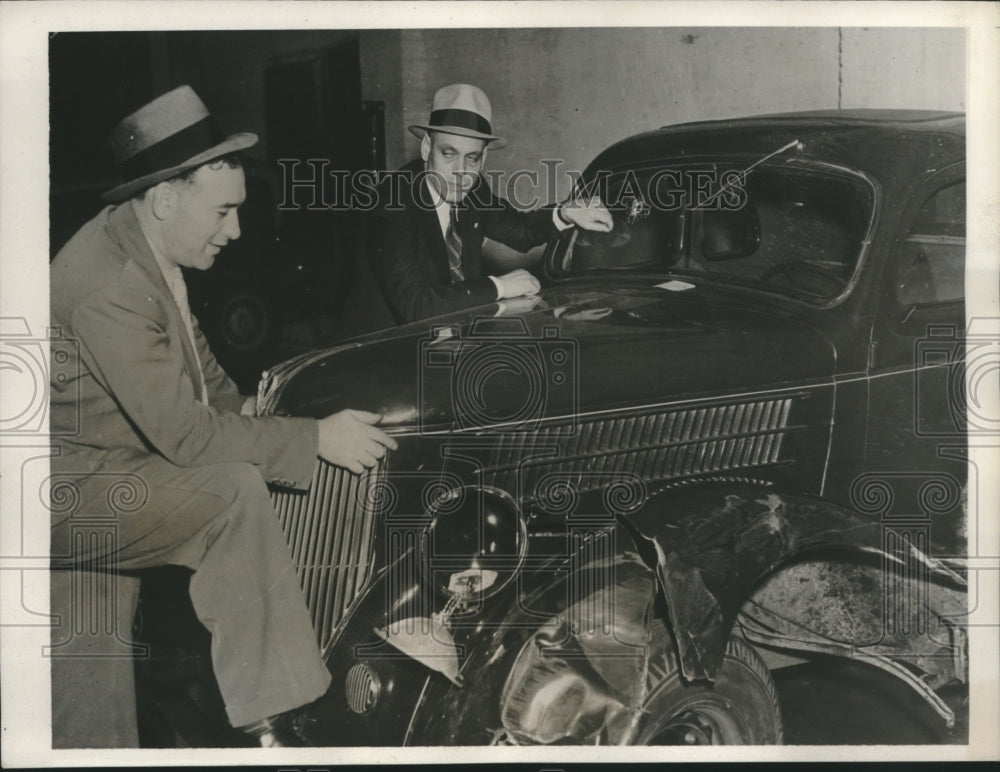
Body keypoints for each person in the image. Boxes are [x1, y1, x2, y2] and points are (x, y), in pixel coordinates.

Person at [48, 85, 396, 747]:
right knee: (231, 494)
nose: (234, 231)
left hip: (87, 482)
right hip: (63, 496)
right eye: (224, 211)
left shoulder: (145, 249)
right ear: (164, 198)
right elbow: (186, 435)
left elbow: (201, 376)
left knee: (86, 716)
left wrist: (266, 415)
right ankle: (284, 721)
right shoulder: (110, 284)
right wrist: (312, 438)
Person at [367, 83, 613, 325]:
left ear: (483, 158)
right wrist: (500, 285)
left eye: (472, 158)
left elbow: (521, 231)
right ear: (426, 147)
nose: (460, 172)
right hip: (380, 353)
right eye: (448, 154)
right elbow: (417, 307)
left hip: (447, 341)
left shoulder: (474, 190)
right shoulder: (393, 203)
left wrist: (566, 212)